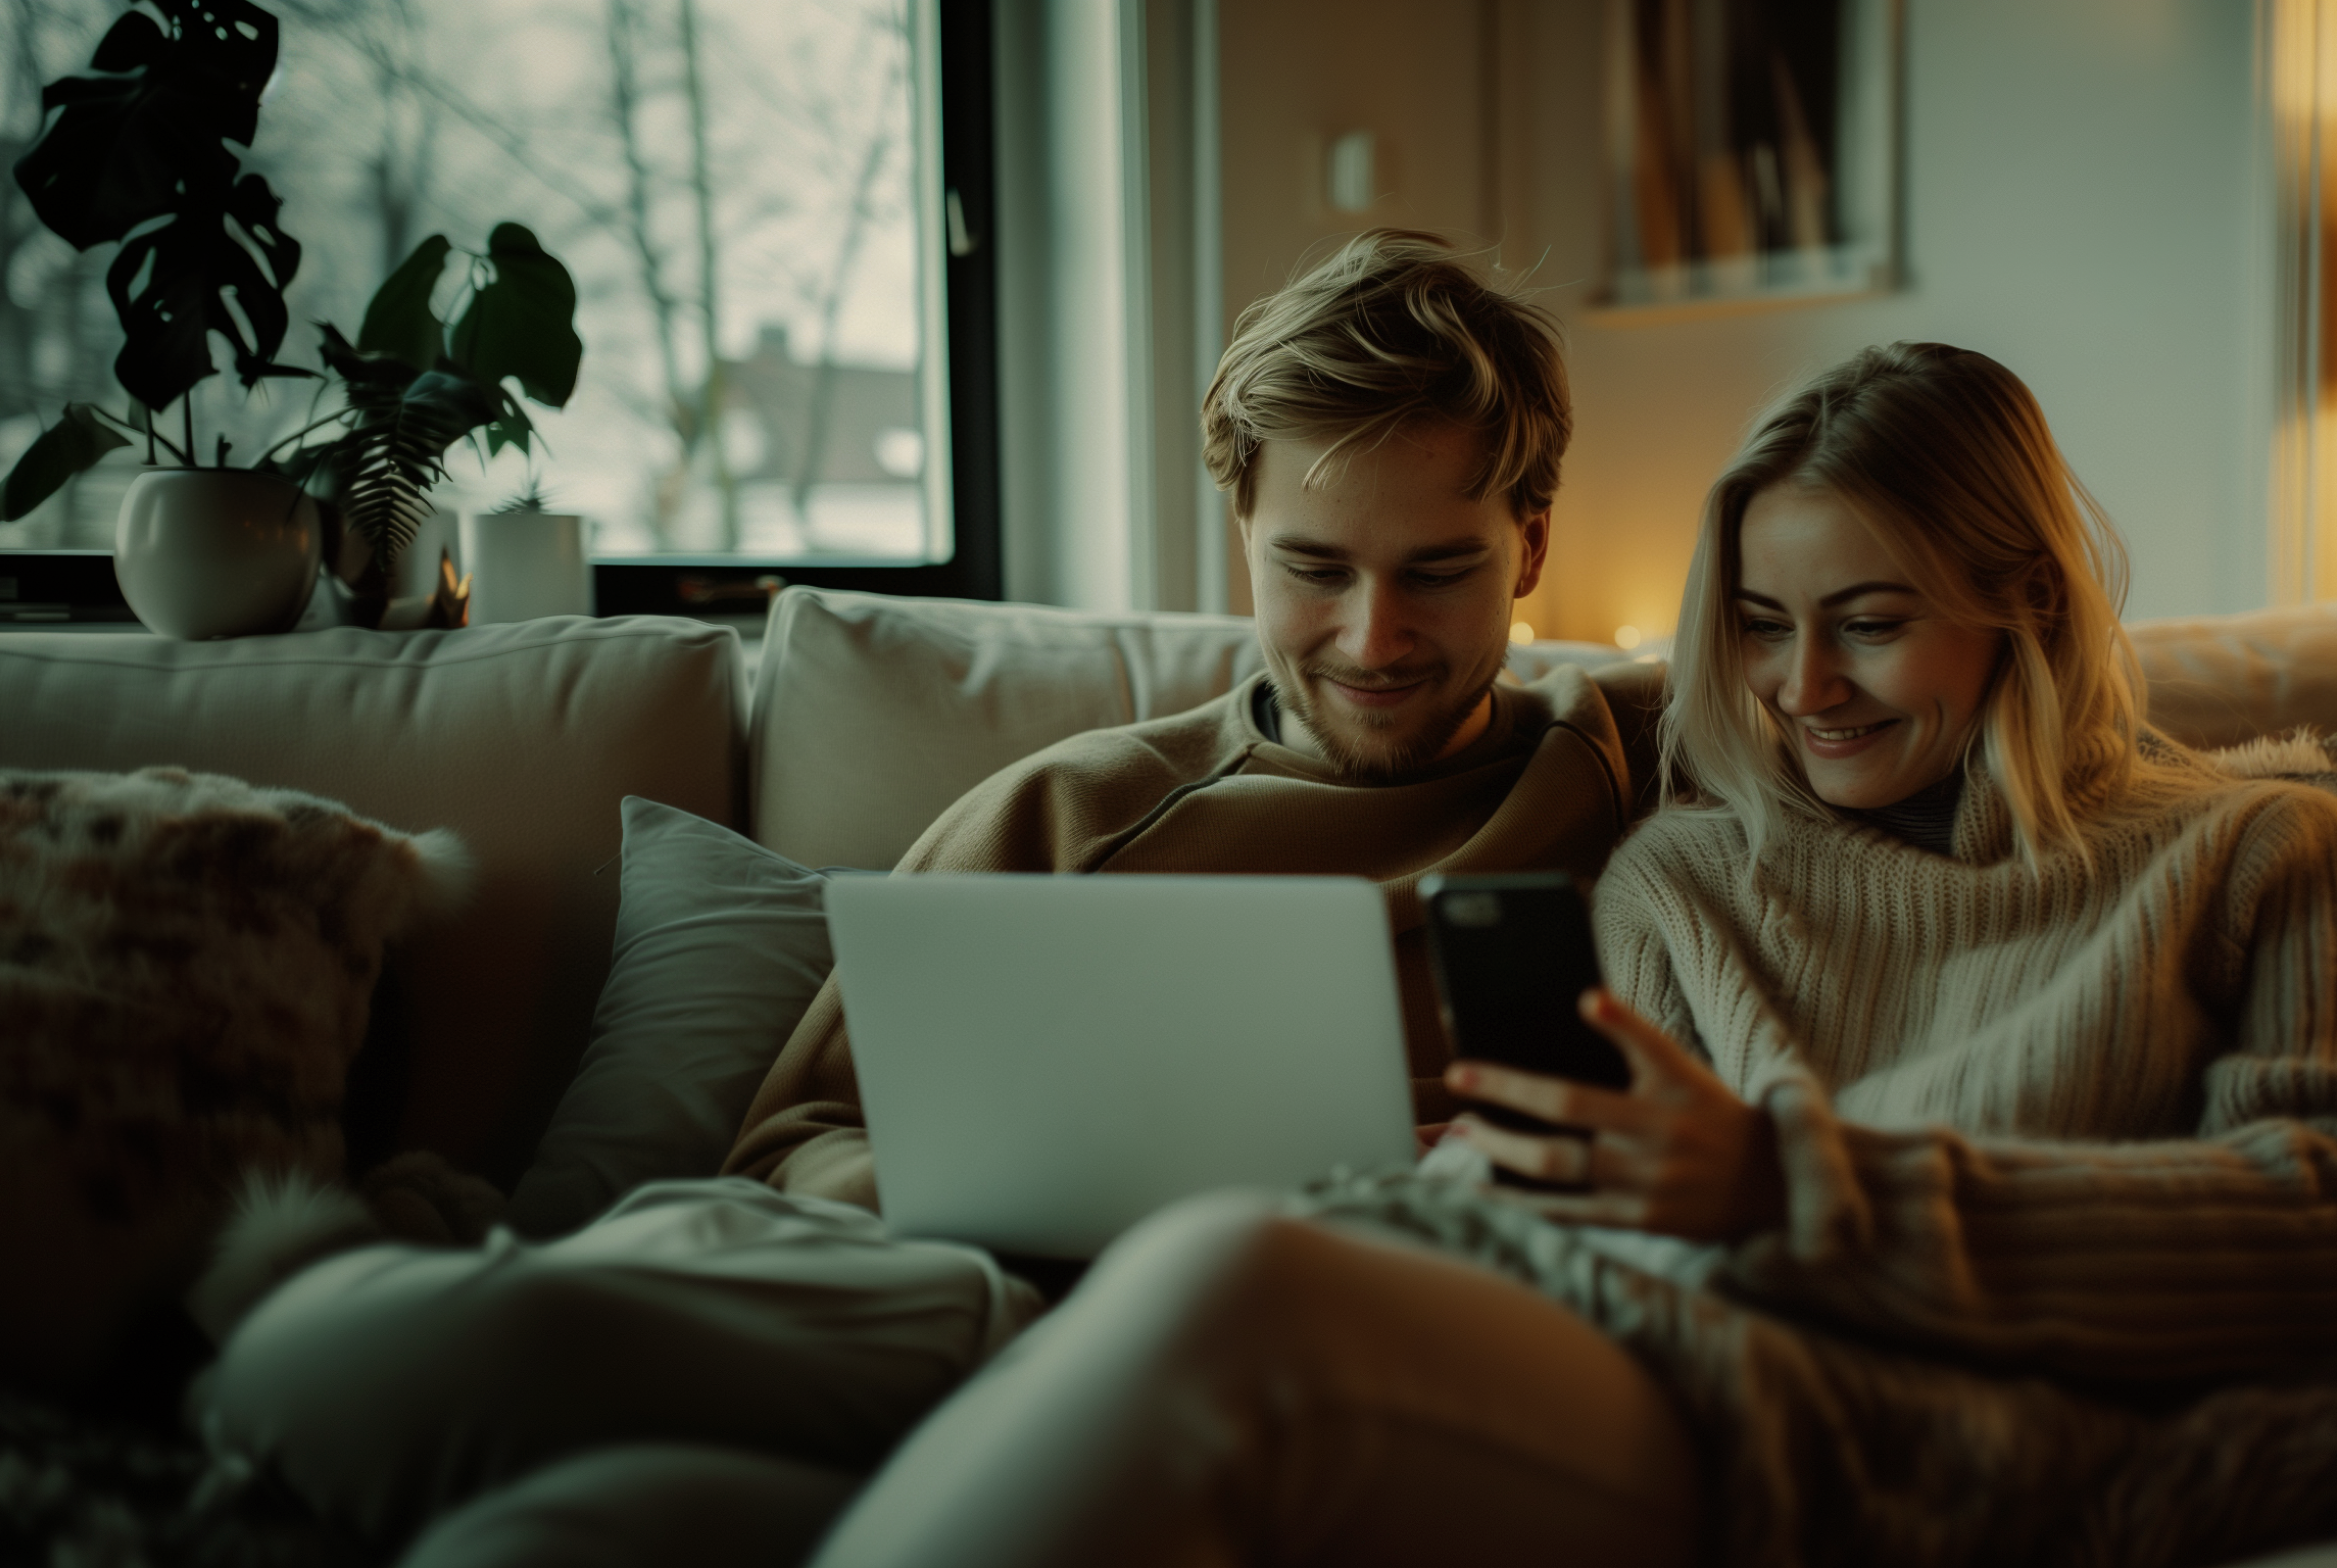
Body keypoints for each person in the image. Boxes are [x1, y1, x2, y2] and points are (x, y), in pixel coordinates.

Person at [800, 343, 2337, 1568]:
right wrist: (1486, 1174)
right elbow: (1618, 1221)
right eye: (1760, 625)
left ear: (2024, 598)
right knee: (1214, 1268)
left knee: (1236, 1294)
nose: (1805, 689)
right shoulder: (1682, 872)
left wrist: (1796, 1190)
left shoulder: (2263, 851)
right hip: (1665, 1358)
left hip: (1924, 1436)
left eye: (1871, 622)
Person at [194, 229, 1663, 1567]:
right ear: (1243, 534)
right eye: (1315, 569)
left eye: (1440, 572)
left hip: (1332, 1394)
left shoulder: (1642, 775)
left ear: (1532, 545)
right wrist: (1031, 1179)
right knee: (425, 1449)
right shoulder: (1075, 810)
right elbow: (789, 1148)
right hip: (977, 1327)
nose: (1374, 637)